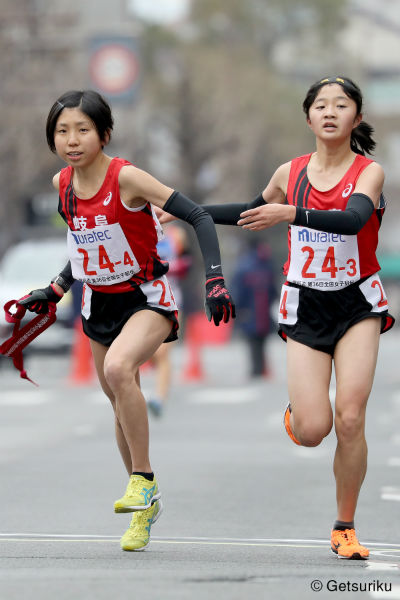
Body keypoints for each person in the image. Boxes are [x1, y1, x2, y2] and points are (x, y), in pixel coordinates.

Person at [161, 76, 395, 559]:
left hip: (357, 304)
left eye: (341, 105)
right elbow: (251, 213)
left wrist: (290, 214)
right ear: (308, 117)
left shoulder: (369, 173)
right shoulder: (289, 172)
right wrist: (187, 211)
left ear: (356, 118)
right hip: (306, 305)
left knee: (350, 417)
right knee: (314, 430)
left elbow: (352, 220)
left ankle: (344, 526)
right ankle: (300, 414)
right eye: (321, 106)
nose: (330, 112)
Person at [18, 90, 235, 552]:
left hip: (146, 299)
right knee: (119, 398)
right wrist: (55, 288)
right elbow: (84, 246)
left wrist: (214, 279)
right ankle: (144, 507)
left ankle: (143, 479)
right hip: (99, 304)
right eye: (62, 131)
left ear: (104, 134)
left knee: (120, 371)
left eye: (82, 130)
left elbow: (196, 215)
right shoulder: (62, 184)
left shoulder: (128, 179)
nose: (72, 140)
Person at [146, 224, 192, 417]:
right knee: (149, 352)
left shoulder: (177, 234)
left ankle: (159, 398)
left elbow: (188, 261)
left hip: (171, 299)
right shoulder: (137, 225)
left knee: (163, 352)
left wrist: (176, 267)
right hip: (142, 299)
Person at [231, 240, 276, 378]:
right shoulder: (262, 266)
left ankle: (258, 369)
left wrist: (238, 308)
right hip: (257, 310)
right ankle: (258, 368)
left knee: (255, 340)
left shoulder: (245, 266)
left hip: (254, 310)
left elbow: (237, 290)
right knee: (256, 340)